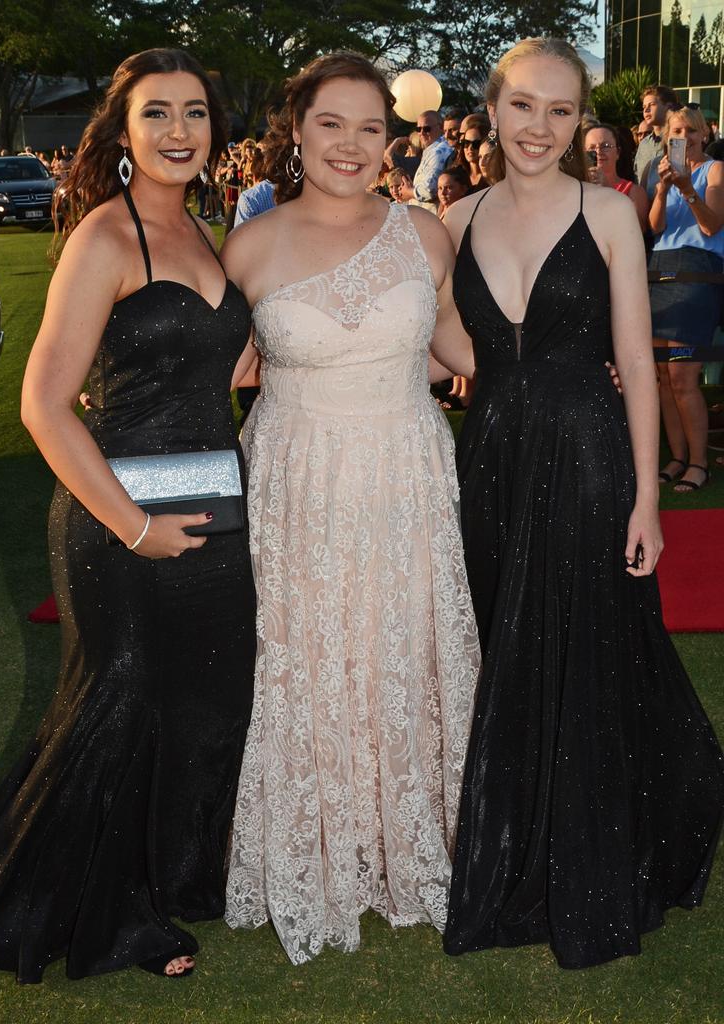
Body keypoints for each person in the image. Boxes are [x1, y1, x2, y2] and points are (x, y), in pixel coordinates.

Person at [0, 48, 257, 983]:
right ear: (122, 132)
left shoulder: (209, 230)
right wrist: (134, 527)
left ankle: (171, 872)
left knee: (206, 706)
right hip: (115, 520)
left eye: (195, 112)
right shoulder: (104, 236)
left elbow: (218, 363)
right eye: (157, 113)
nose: (179, 131)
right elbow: (44, 403)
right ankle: (101, 909)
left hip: (214, 509)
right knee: (119, 701)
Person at [443, 37, 723, 970]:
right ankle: (512, 839)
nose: (539, 127)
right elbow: (423, 335)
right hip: (488, 459)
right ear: (493, 109)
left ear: (582, 123)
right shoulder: (449, 220)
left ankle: (597, 857)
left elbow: (639, 363)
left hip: (592, 457)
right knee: (502, 645)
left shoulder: (608, 211)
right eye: (524, 106)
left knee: (591, 645)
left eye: (560, 111)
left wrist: (649, 498)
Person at [221, 51, 480, 965]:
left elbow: (457, 348)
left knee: (401, 647)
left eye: (371, 127)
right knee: (310, 651)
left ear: (392, 138)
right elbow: (212, 369)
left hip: (407, 472)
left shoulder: (425, 233)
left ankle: (406, 844)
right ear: (298, 130)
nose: (351, 144)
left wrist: (568, 374)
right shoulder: (249, 244)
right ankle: (313, 850)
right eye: (332, 124)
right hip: (298, 479)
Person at [648, 104, 724, 492]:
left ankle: (699, 463)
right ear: (668, 137)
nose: (686, 138)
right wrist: (663, 189)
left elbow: (712, 226)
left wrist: (689, 190)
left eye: (692, 132)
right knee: (662, 377)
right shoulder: (657, 171)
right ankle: (677, 457)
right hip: (658, 270)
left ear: (705, 135)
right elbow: (655, 226)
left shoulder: (716, 171)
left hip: (697, 272)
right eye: (678, 132)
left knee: (682, 375)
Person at [585, 123, 649, 232]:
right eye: (592, 148)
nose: (598, 152)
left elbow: (639, 229)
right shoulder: (575, 189)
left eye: (605, 146)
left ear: (618, 152)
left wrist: (608, 190)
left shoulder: (633, 191)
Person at [635, 84, 678, 185]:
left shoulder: (678, 142)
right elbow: (637, 176)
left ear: (669, 106)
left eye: (652, 105)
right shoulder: (643, 144)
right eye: (644, 107)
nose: (646, 110)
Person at [411, 109, 453, 209]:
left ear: (440, 127)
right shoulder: (431, 149)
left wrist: (408, 192)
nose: (421, 133)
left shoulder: (438, 151)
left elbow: (430, 189)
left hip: (431, 216)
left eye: (426, 129)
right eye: (418, 129)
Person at [454, 114, 490, 193]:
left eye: (475, 144)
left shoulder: (493, 177)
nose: (470, 148)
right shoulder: (456, 175)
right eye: (466, 143)